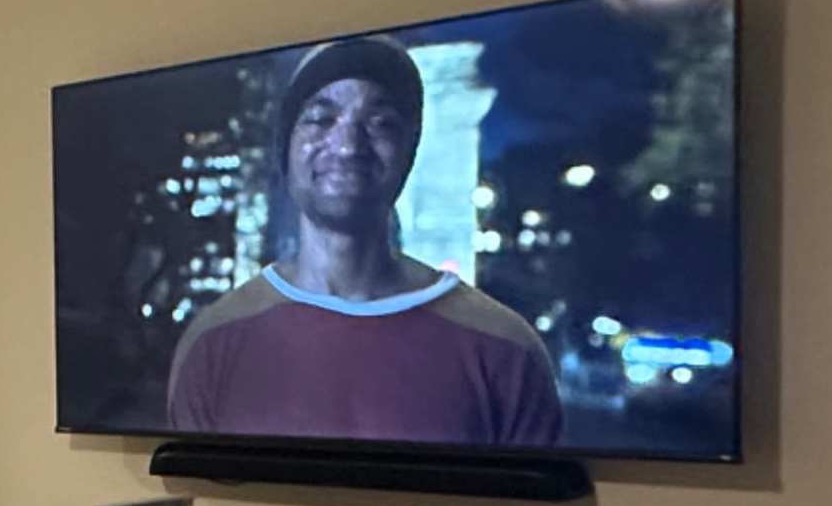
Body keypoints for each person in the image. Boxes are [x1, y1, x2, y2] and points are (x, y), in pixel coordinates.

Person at [164, 34, 563, 444]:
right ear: (286, 150)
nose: (348, 144)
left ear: (408, 152)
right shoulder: (213, 343)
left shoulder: (506, 352)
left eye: (380, 123)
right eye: (320, 119)